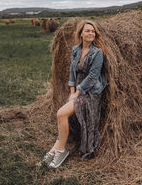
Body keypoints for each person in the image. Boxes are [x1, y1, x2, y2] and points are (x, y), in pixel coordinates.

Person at [41, 20, 107, 168]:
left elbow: (93, 76)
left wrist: (77, 92)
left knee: (61, 114)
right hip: (77, 91)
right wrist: (71, 91)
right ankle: (53, 151)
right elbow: (72, 72)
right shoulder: (76, 50)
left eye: (93, 31)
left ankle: (61, 151)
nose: (91, 33)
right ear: (81, 33)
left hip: (90, 93)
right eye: (88, 31)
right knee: (62, 116)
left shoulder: (98, 53)